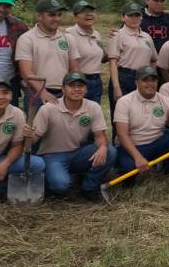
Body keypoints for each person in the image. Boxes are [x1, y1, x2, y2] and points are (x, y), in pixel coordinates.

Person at [26, 72, 115, 201]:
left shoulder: (93, 107)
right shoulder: (49, 109)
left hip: (78, 153)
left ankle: (89, 188)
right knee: (60, 185)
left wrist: (102, 147)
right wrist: (28, 136)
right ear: (63, 89)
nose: (77, 89)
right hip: (52, 156)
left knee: (110, 151)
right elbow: (34, 139)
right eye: (72, 86)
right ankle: (60, 179)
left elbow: (100, 136)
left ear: (86, 89)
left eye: (80, 86)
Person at [113, 67, 169, 176]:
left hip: (157, 142)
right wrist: (138, 158)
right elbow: (122, 135)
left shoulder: (165, 101)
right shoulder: (124, 102)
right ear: (136, 82)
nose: (150, 83)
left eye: (153, 80)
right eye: (145, 80)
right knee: (129, 169)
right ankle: (142, 167)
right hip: (134, 146)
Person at [15, 0, 80, 110]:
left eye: (59, 15)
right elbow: (26, 72)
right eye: (52, 15)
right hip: (36, 93)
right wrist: (43, 93)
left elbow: (74, 68)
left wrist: (73, 89)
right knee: (36, 127)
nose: (57, 19)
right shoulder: (27, 39)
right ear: (39, 16)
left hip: (64, 92)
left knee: (63, 127)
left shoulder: (68, 38)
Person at [107, 2, 157, 119]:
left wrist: (151, 77)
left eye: (137, 15)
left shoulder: (147, 37)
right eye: (130, 16)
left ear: (141, 17)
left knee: (140, 115)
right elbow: (113, 62)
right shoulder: (118, 35)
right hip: (124, 77)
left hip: (143, 78)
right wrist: (116, 87)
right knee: (121, 115)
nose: (134, 19)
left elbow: (154, 59)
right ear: (123, 17)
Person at [64, 0, 106, 103]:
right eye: (83, 12)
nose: (89, 15)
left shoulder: (97, 34)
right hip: (78, 82)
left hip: (97, 81)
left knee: (93, 113)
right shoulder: (68, 34)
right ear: (75, 17)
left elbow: (102, 57)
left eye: (91, 11)